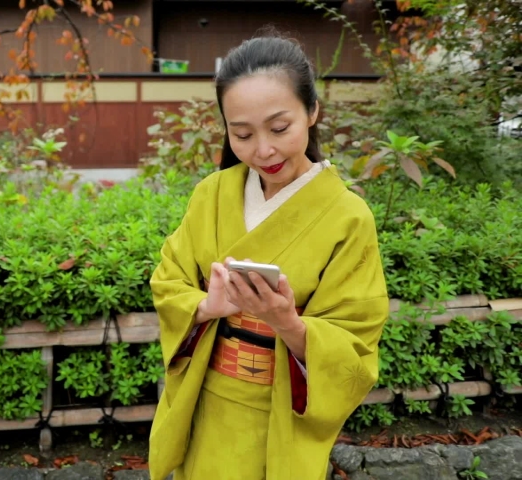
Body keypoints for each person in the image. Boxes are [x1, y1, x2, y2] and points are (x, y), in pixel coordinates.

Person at [147, 31, 389, 480]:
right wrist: (205, 307)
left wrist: (289, 324)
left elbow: (356, 339)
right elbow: (168, 280)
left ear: (312, 111)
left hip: (281, 417)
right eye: (242, 134)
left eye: (279, 128)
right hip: (205, 405)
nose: (263, 150)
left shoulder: (348, 217)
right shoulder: (212, 195)